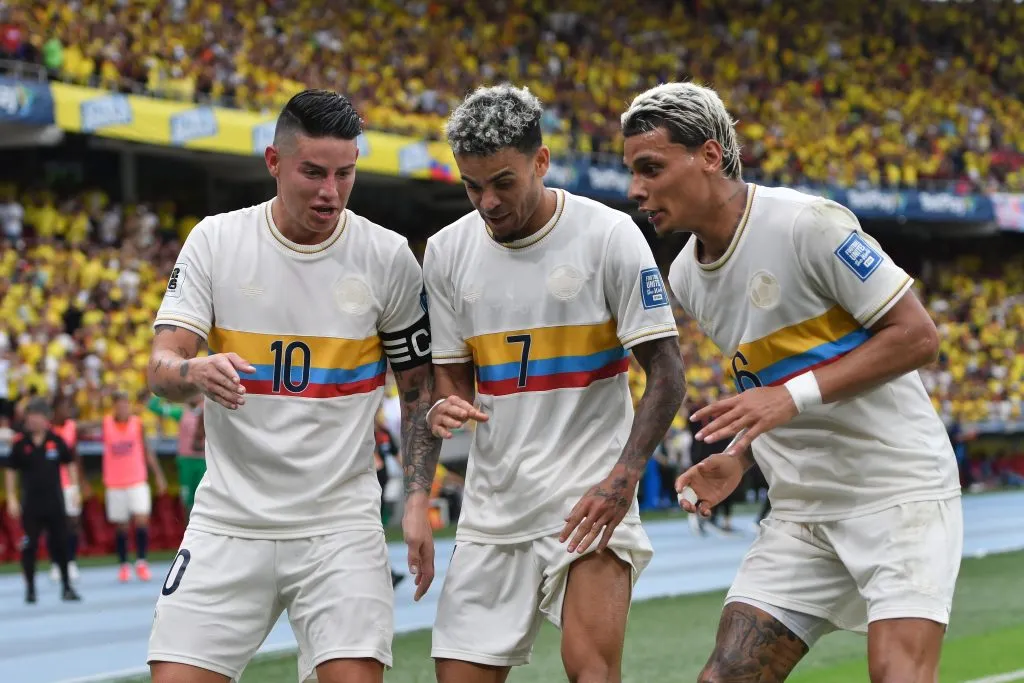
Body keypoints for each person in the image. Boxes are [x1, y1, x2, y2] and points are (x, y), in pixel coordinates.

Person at [621, 82, 963, 683]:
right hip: (802, 511)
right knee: (725, 678)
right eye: (632, 172)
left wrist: (787, 397)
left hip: (897, 492)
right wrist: (740, 457)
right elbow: (771, 381)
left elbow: (918, 338)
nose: (635, 190)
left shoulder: (807, 223)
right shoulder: (686, 275)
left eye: (650, 167)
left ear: (708, 155)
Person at [145, 89, 438, 683]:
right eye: (312, 172)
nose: (330, 191)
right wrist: (192, 372)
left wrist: (416, 498)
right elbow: (161, 368)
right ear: (274, 163)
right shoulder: (216, 241)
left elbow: (418, 392)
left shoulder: (387, 258)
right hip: (231, 520)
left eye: (345, 173)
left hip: (340, 526)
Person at [405, 83, 685, 683]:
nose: (487, 202)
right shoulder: (448, 251)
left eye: (502, 182)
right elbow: (452, 375)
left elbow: (667, 373)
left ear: (541, 161)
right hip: (493, 506)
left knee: (591, 673)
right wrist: (447, 407)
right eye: (472, 185)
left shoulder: (609, 236)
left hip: (587, 499)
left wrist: (624, 476)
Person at [3, 398, 82, 603]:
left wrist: (73, 489)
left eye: (37, 415)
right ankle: (30, 589)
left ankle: (66, 587)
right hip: (30, 504)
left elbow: (70, 462)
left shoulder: (56, 441)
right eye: (29, 416)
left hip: (54, 502)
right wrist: (12, 497)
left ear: (45, 418)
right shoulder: (20, 443)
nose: (33, 420)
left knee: (61, 544)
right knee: (29, 547)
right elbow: (10, 471)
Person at [102, 391, 168, 583]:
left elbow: (148, 451)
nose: (123, 408)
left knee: (142, 519)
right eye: (119, 404)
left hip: (137, 479)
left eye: (126, 404)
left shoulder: (137, 424)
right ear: (114, 406)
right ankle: (123, 564)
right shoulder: (106, 424)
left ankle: (141, 561)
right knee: (121, 525)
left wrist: (159, 475)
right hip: (115, 482)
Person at [50, 395, 88, 582]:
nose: (68, 412)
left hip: (69, 483)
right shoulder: (47, 430)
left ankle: (71, 561)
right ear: (55, 410)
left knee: (73, 522)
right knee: (55, 525)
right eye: (65, 408)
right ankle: (56, 563)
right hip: (52, 483)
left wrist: (81, 483)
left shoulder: (71, 427)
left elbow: (76, 456)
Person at [176, 395, 205, 523]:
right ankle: (187, 530)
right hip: (186, 461)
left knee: (202, 498)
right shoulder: (181, 412)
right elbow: (154, 407)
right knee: (186, 498)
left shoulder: (208, 410)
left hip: (203, 461)